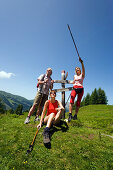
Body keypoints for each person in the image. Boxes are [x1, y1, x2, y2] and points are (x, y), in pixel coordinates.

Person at [68, 57, 85, 122]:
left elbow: (83, 69)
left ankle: (75, 115)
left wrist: (81, 63)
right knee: (71, 100)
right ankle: (70, 114)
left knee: (78, 102)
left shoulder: (82, 75)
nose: (77, 70)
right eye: (76, 69)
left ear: (80, 70)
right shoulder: (74, 76)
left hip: (81, 89)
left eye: (78, 69)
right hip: (74, 88)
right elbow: (73, 82)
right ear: (75, 71)